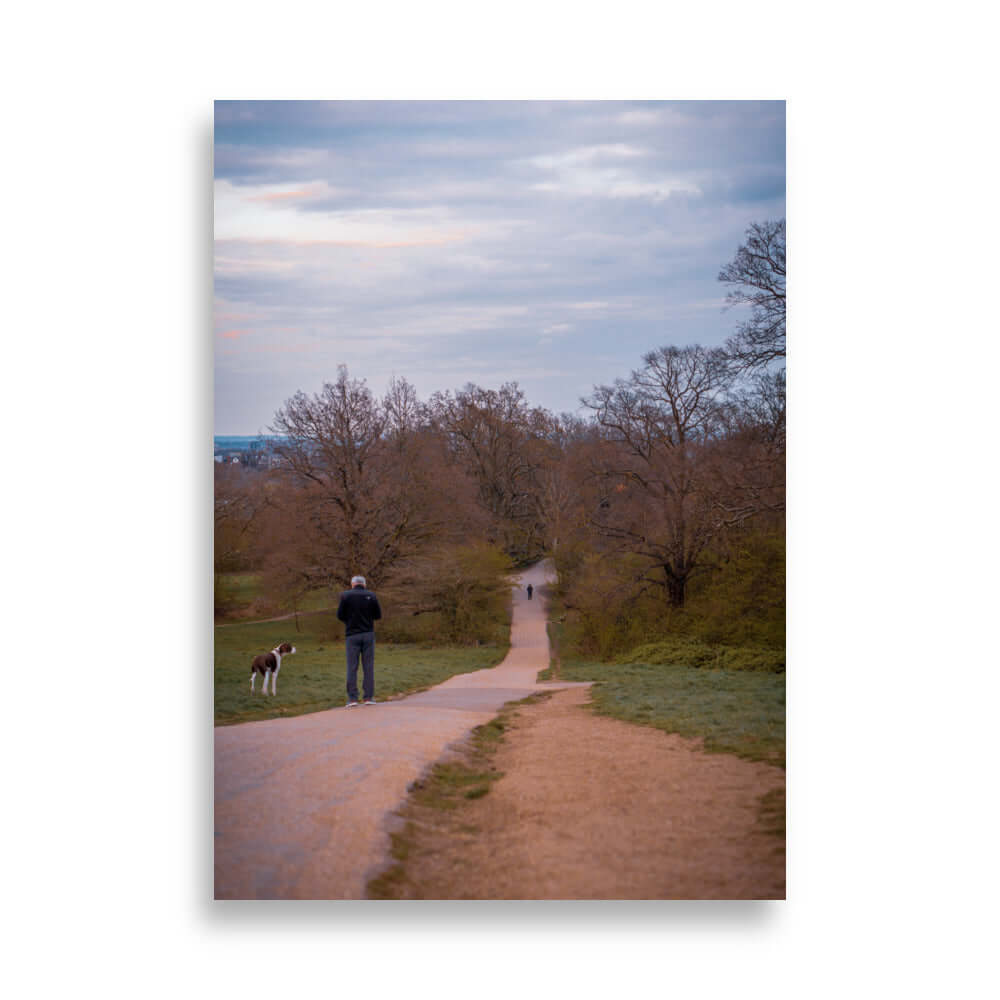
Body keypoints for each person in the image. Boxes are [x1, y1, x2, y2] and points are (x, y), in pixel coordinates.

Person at [336, 574, 382, 707]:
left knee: (352, 667)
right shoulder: (371, 595)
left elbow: (340, 615)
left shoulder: (345, 596)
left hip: (351, 635)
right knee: (368, 667)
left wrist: (349, 621)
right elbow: (378, 615)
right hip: (368, 634)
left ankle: (352, 699)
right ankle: (368, 697)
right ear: (364, 584)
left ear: (352, 584)